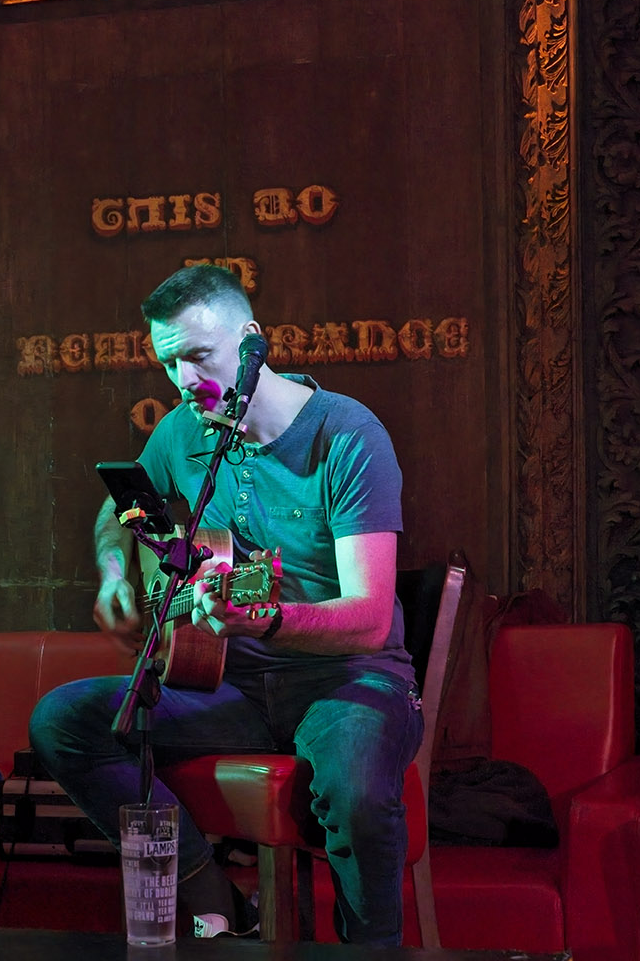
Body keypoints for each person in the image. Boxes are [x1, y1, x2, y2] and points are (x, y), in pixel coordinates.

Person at [28, 264, 419, 944]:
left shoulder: (348, 435)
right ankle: (210, 891)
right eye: (169, 362)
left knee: (354, 794)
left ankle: (372, 949)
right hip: (230, 683)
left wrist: (264, 618)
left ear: (252, 344)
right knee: (64, 721)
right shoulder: (184, 431)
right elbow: (118, 504)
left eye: (198, 357)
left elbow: (368, 617)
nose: (183, 380)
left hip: (349, 680)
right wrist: (114, 570)